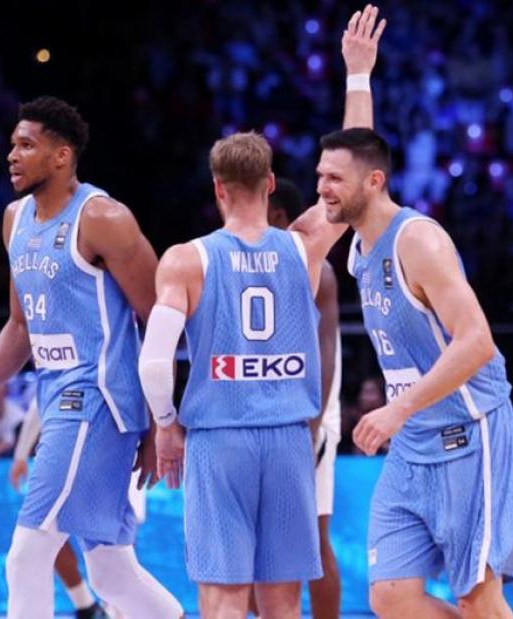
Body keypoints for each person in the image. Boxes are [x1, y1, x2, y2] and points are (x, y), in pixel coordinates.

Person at [136, 7, 379, 613]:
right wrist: (358, 75)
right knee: (282, 603)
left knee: (222, 598)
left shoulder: (186, 260)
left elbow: (154, 361)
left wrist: (165, 424)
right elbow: (352, 170)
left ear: (218, 188)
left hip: (220, 440)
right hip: (289, 440)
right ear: (271, 185)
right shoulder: (303, 246)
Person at [0, 96, 182, 619]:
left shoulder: (104, 218)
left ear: (62, 156)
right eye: (12, 145)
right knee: (111, 572)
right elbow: (20, 328)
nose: (11, 156)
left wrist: (161, 420)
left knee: (26, 557)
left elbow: (161, 319)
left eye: (26, 145)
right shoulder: (14, 219)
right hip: (57, 398)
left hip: (98, 401)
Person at [320, 8, 513, 615]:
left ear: (374, 183)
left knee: (479, 599)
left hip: (469, 431)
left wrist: (397, 408)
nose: (323, 187)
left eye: (333, 180)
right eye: (319, 176)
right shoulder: (361, 243)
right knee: (391, 597)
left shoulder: (419, 241)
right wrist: (359, 76)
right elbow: (357, 150)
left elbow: (478, 343)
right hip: (414, 442)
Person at [266, 178, 342, 619]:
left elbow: (324, 354)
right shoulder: (252, 263)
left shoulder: (318, 270)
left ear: (278, 216)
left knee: (312, 537)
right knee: (262, 543)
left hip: (309, 417)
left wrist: (311, 428)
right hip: (266, 416)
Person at [10, 398, 108, 619]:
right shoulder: (52, 383)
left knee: (115, 557)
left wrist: (160, 430)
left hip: (110, 452)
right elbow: (40, 400)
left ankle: (110, 608)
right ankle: (86, 605)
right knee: (37, 541)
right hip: (59, 457)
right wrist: (21, 455)